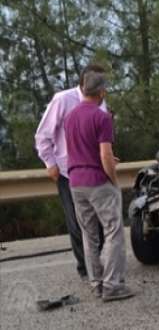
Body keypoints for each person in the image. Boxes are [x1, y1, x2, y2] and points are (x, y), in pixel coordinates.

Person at [65, 69, 133, 302]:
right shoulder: (101, 117)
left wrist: (101, 160)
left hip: (75, 182)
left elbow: (79, 150)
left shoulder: (70, 117)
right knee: (114, 231)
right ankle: (113, 286)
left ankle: (97, 284)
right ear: (102, 91)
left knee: (89, 235)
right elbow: (105, 155)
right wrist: (113, 178)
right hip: (98, 182)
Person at [35, 64, 107, 280]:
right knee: (78, 223)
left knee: (101, 223)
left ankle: (96, 263)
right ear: (85, 82)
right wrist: (51, 164)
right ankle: (86, 269)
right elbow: (42, 136)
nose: (104, 90)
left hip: (96, 171)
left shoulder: (101, 102)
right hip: (69, 172)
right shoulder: (62, 100)